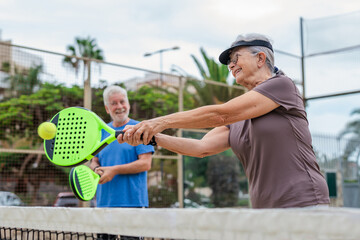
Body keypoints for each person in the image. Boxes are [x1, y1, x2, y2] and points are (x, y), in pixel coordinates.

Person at [118, 33, 330, 209]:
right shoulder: (238, 117)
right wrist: (153, 137)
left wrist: (158, 122)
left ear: (261, 58)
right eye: (229, 61)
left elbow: (220, 114)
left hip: (304, 201)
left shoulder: (282, 85)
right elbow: (201, 147)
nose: (231, 64)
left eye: (236, 57)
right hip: (264, 209)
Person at [90, 85, 154, 240]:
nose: (119, 106)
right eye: (114, 103)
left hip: (133, 204)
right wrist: (97, 169)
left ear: (128, 104)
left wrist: (114, 170)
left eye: (122, 102)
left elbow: (145, 164)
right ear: (107, 108)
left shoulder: (141, 128)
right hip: (104, 205)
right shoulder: (100, 132)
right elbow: (94, 161)